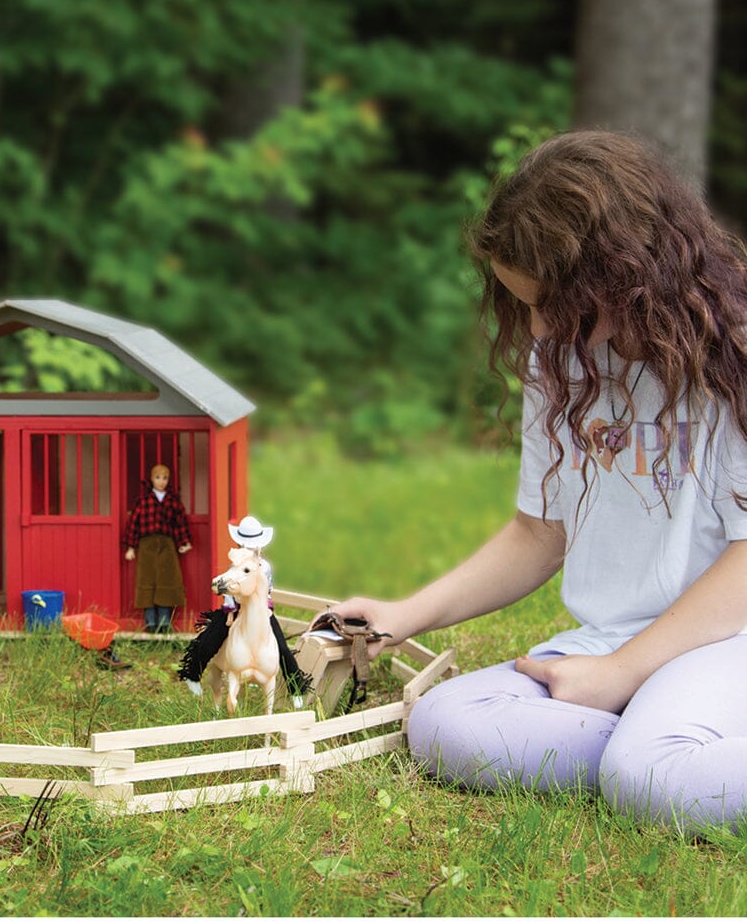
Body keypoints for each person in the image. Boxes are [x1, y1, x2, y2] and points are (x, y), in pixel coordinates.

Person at [319, 130, 747, 835]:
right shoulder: (565, 363)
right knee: (446, 724)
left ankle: (655, 754)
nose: (542, 327)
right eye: (527, 305)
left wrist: (620, 675)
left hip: (726, 640)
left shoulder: (728, 360)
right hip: (622, 640)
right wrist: (409, 612)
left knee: (648, 778)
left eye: (558, 302)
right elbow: (540, 533)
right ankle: (663, 744)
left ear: (625, 272)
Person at [177, 516, 310, 706]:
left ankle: (296, 687)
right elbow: (230, 587)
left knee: (281, 647)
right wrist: (230, 610)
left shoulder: (265, 567)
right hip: (236, 607)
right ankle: (193, 673)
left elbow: (268, 589)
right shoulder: (237, 563)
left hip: (260, 609)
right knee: (210, 639)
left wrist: (265, 608)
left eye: (254, 545)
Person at [122, 463, 192, 633]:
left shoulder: (172, 502)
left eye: (165, 478)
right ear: (151, 479)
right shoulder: (143, 502)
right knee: (147, 581)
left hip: (167, 546)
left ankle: (164, 624)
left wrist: (184, 542)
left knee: (166, 581)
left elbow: (180, 522)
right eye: (158, 477)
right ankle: (151, 624)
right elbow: (134, 524)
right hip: (146, 546)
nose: (161, 481)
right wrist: (131, 546)